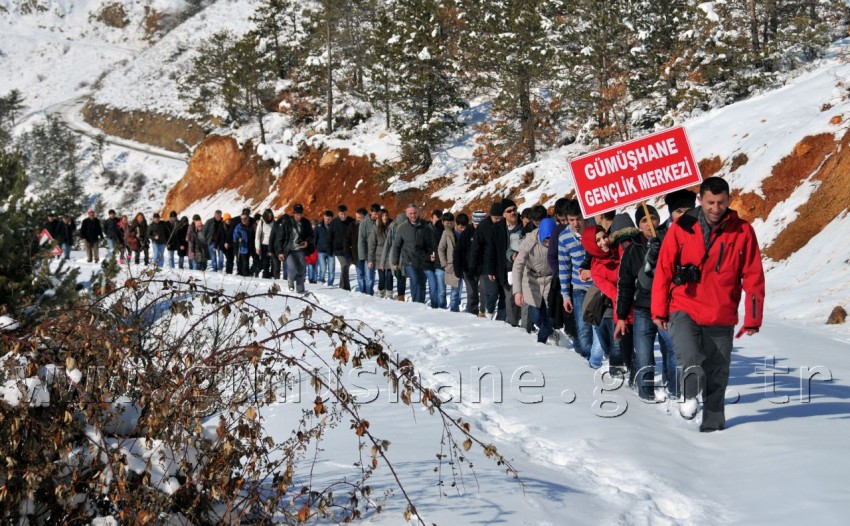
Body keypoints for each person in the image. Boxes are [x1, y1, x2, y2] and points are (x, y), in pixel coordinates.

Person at [652, 177, 765, 431]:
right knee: (689, 356)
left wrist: (753, 318)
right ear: (700, 200)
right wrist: (659, 309)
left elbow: (754, 275)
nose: (716, 208)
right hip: (685, 306)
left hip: (721, 312)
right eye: (710, 202)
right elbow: (664, 269)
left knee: (717, 374)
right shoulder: (682, 227)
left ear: (728, 200)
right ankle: (689, 395)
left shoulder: (742, 231)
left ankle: (714, 429)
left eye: (721, 202)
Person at [558, 200, 603, 367]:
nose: (575, 223)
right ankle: (587, 363)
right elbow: (564, 267)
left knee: (599, 326)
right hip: (579, 287)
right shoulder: (564, 237)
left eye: (578, 219)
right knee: (583, 329)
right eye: (571, 220)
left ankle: (596, 361)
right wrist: (565, 295)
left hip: (599, 285)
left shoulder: (596, 229)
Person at [513, 218, 557, 343]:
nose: (548, 243)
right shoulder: (530, 241)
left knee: (548, 314)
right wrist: (517, 291)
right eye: (546, 240)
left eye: (551, 240)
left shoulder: (559, 239)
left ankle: (541, 342)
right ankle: (550, 331)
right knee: (536, 316)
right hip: (531, 279)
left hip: (550, 279)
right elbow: (518, 265)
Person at [390, 204, 435, 304]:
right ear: (406, 214)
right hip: (409, 260)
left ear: (418, 213)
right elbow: (396, 245)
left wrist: (431, 255)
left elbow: (431, 242)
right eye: (410, 213)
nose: (413, 215)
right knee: (416, 281)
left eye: (415, 213)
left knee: (422, 283)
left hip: (423, 260)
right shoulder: (402, 228)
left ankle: (420, 303)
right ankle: (417, 304)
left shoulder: (425, 225)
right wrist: (395, 261)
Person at [470, 202, 507, 319]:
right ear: (490, 216)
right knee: (492, 293)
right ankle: (488, 313)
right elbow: (475, 248)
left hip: (502, 264)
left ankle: (501, 319)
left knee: (504, 294)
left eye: (500, 218)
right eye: (495, 218)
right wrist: (473, 266)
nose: (498, 221)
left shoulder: (505, 225)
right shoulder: (483, 226)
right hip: (487, 264)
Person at [276, 204, 314, 293]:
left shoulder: (306, 223)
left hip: (300, 250)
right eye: (297, 214)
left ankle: (300, 290)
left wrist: (306, 242)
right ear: (293, 214)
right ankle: (290, 280)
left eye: (300, 214)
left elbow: (311, 235)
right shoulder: (287, 223)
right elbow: (280, 238)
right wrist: (280, 251)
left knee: (301, 270)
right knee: (292, 268)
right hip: (289, 250)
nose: (299, 216)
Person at [438, 212, 463, 312]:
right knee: (454, 290)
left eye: (451, 222)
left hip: (461, 264)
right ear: (443, 222)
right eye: (447, 223)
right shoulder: (446, 233)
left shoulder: (459, 231)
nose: (449, 225)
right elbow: (441, 248)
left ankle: (455, 309)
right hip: (451, 265)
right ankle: (453, 310)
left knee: (458, 290)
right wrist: (444, 264)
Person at [382, 212, 408, 301]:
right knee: (399, 277)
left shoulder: (408, 230)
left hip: (404, 258)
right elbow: (386, 246)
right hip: (394, 259)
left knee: (402, 279)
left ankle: (401, 297)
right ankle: (399, 297)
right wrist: (382, 263)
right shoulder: (392, 230)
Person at [369, 209, 394, 298]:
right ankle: (380, 293)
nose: (385, 217)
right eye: (382, 216)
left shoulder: (392, 226)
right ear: (379, 217)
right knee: (382, 278)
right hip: (379, 256)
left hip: (390, 255)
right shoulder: (375, 228)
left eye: (386, 215)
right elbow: (372, 244)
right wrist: (370, 259)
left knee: (390, 276)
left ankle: (389, 294)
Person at [329, 205, 354, 290]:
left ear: (347, 213)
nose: (343, 216)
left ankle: (341, 286)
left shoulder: (351, 221)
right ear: (338, 213)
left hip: (349, 249)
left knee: (345, 268)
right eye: (341, 214)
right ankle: (346, 288)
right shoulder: (334, 222)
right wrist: (330, 250)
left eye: (345, 214)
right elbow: (330, 236)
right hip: (338, 249)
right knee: (344, 265)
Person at [357, 204, 380, 295]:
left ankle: (370, 292)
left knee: (372, 276)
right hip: (368, 254)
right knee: (369, 276)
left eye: (378, 214)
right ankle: (368, 294)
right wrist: (362, 256)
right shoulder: (364, 223)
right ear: (370, 212)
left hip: (378, 253)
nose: (376, 216)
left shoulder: (380, 222)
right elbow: (361, 240)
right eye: (375, 214)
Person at [232, 209, 255, 276]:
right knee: (245, 263)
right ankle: (245, 276)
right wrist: (238, 239)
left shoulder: (253, 225)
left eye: (245, 218)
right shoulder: (239, 226)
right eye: (242, 219)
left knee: (257, 262)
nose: (243, 220)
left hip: (253, 247)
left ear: (248, 218)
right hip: (243, 247)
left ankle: (251, 272)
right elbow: (235, 235)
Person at [255, 209, 276, 279]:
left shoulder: (274, 222)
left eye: (271, 216)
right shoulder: (261, 222)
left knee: (273, 262)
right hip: (264, 245)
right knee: (265, 262)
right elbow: (257, 236)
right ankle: (265, 276)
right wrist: (257, 247)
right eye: (268, 216)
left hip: (272, 244)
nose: (270, 217)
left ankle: (272, 275)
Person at [315, 211, 334, 286]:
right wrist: (316, 247)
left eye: (329, 219)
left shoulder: (334, 226)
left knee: (331, 269)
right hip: (321, 251)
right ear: (323, 217)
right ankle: (321, 281)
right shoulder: (319, 226)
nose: (327, 220)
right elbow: (315, 237)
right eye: (325, 218)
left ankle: (330, 284)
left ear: (331, 218)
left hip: (331, 251)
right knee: (322, 268)